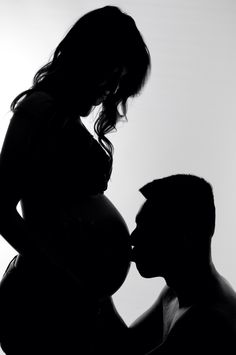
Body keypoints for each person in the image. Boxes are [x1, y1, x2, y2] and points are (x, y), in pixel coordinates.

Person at [0, 5, 151, 354]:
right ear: (86, 59)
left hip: (76, 302)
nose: (111, 90)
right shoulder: (38, 109)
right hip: (42, 305)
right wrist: (61, 276)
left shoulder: (65, 119)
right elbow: (0, 208)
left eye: (119, 82)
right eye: (110, 74)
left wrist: (95, 296)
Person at [129, 174, 236, 353]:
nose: (132, 238)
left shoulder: (207, 322)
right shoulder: (174, 293)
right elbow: (126, 344)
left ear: (187, 236)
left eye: (147, 228)